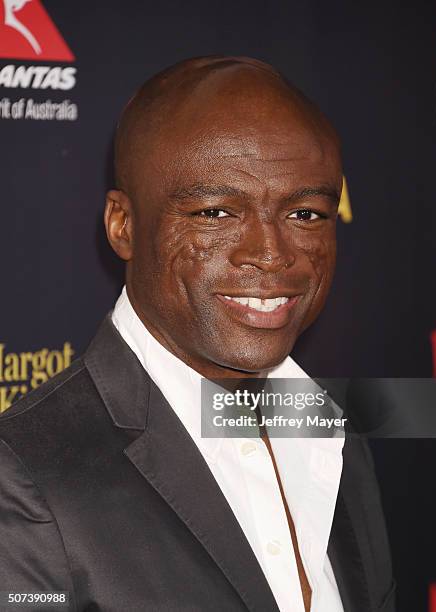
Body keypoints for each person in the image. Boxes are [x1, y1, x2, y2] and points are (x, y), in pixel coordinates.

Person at [0, 56, 395, 612]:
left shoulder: (328, 429)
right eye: (215, 212)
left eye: (305, 214)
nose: (271, 254)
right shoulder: (22, 475)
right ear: (123, 225)